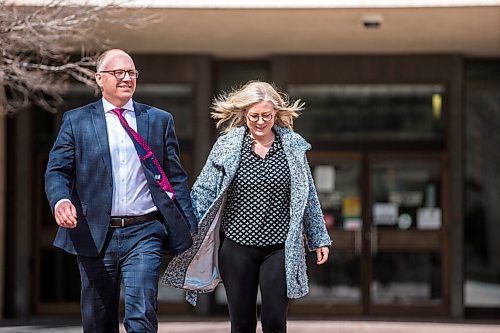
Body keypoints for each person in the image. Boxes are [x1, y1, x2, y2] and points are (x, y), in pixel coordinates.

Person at [45, 49, 197, 333]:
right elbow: (57, 170)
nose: (127, 78)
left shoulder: (158, 119)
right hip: (93, 234)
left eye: (132, 73)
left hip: (144, 232)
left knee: (141, 316)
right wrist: (61, 200)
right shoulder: (77, 121)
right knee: (98, 322)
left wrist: (189, 226)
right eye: (119, 73)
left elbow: (175, 177)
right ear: (100, 79)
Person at [162, 81, 331, 333]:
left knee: (274, 321)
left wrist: (319, 238)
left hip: (279, 247)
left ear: (276, 114)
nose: (261, 121)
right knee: (242, 324)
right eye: (254, 116)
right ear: (244, 114)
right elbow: (204, 190)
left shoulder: (293, 146)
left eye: (267, 116)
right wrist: (185, 226)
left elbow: (307, 195)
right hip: (237, 247)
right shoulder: (228, 146)